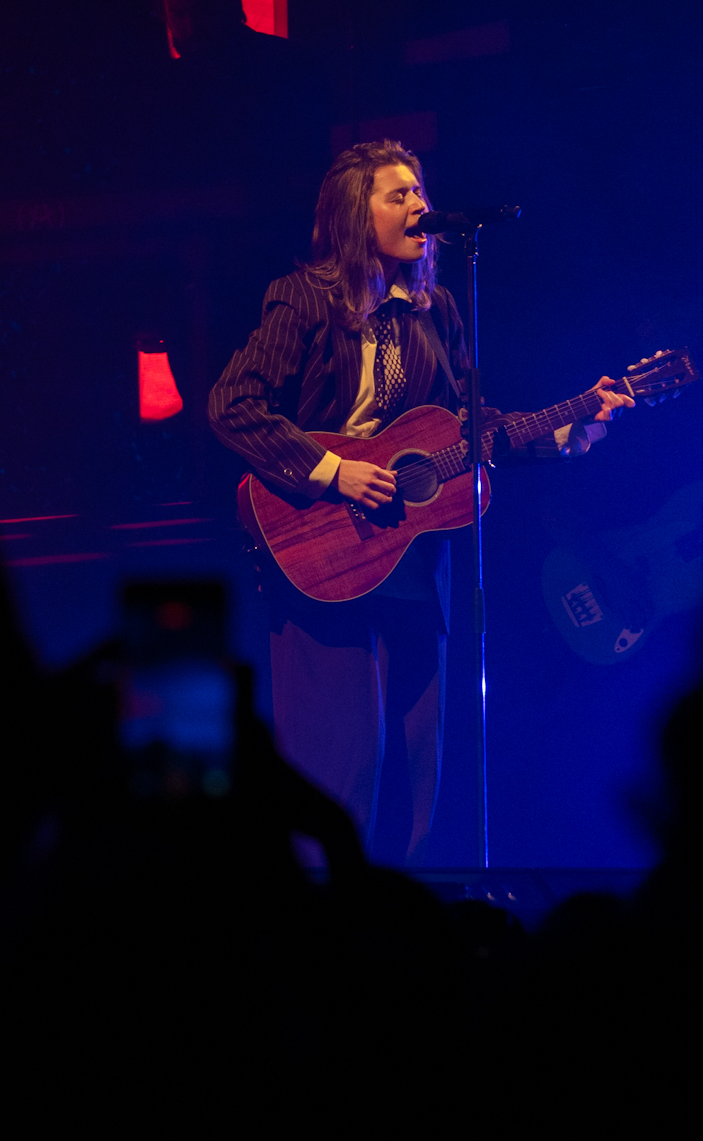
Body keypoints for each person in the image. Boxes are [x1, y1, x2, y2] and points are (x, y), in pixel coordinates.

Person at [208, 140, 634, 860]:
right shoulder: (304, 298)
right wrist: (332, 471)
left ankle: (404, 929)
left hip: (409, 559)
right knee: (343, 759)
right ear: (353, 212)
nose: (418, 205)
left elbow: (466, 429)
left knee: (417, 760)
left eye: (418, 192)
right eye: (396, 195)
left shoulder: (434, 309)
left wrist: (567, 427)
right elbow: (233, 406)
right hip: (319, 547)